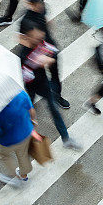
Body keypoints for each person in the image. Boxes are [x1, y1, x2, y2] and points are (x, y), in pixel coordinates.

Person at [18, 19, 82, 150]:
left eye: (38, 35)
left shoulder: (39, 43)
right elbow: (26, 77)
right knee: (26, 112)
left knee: (54, 110)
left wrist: (48, 59)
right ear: (27, 37)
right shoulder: (23, 55)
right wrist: (35, 62)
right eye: (34, 36)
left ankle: (66, 139)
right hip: (30, 87)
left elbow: (51, 52)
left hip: (44, 84)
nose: (38, 38)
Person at [23, 0, 70, 108]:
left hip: (50, 47)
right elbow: (23, 40)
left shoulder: (43, 8)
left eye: (41, 3)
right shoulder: (26, 20)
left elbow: (45, 18)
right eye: (37, 5)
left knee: (55, 74)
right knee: (35, 80)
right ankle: (30, 101)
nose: (40, 7)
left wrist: (47, 22)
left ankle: (57, 96)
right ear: (31, 5)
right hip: (36, 52)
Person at [0, 90, 38, 187]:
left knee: (4, 155)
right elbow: (31, 111)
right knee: (23, 155)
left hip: (7, 141)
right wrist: (33, 122)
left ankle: (16, 177)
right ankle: (24, 174)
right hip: (25, 133)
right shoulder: (21, 94)